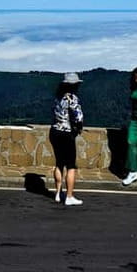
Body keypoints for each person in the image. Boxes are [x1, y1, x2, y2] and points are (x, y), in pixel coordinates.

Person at [48, 72, 85, 205]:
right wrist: (79, 127)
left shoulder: (57, 97)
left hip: (54, 131)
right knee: (71, 166)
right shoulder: (72, 98)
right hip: (66, 133)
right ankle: (69, 196)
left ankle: (58, 193)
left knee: (59, 163)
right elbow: (78, 117)